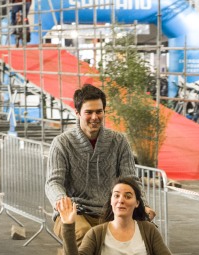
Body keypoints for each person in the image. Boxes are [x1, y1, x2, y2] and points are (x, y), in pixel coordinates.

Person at [45, 84, 152, 246]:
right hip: (75, 211)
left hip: (111, 211)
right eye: (89, 112)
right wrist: (61, 200)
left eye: (99, 111)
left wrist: (144, 205)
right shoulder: (62, 143)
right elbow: (53, 182)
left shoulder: (119, 141)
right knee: (86, 236)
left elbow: (130, 180)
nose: (94, 117)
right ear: (77, 113)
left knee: (143, 237)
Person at [60, 177, 179, 255]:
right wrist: (68, 225)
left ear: (137, 203)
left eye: (128, 196)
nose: (121, 200)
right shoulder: (96, 233)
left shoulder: (148, 230)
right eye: (116, 196)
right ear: (111, 201)